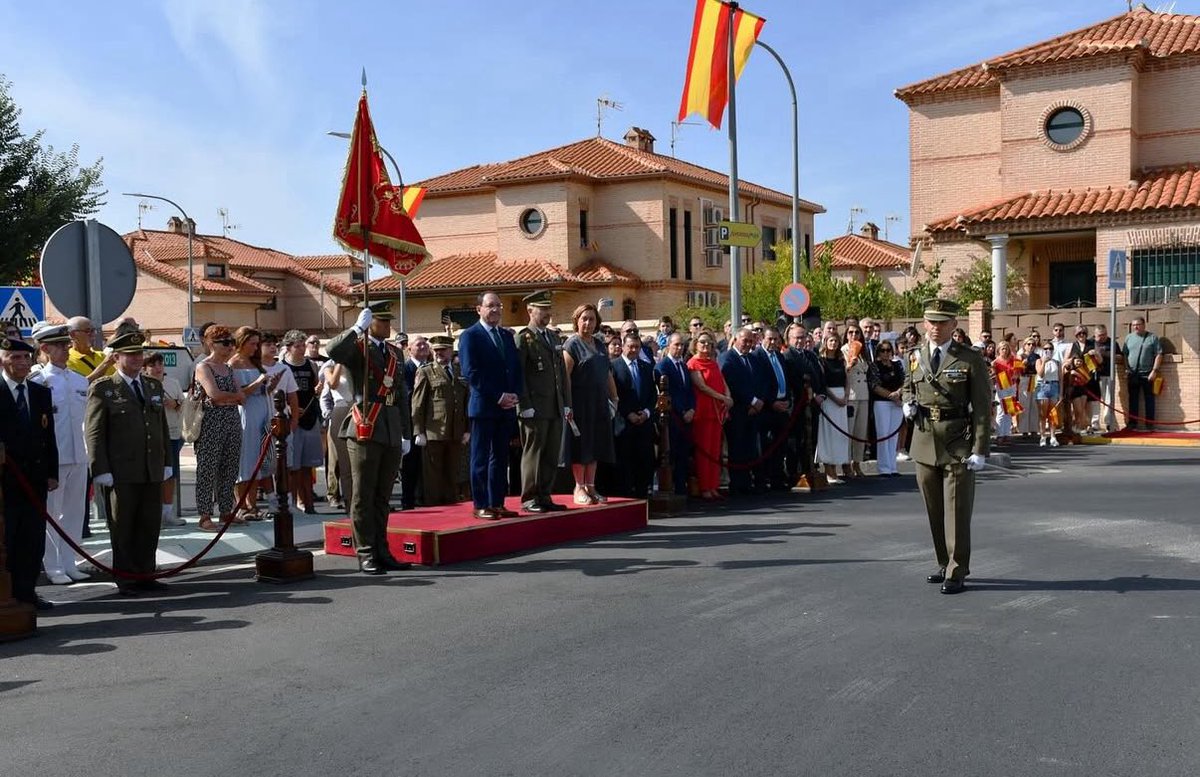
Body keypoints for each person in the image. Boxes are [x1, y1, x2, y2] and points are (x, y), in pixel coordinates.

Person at [902, 298, 991, 595]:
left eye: (942, 322)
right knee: (933, 508)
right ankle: (943, 562)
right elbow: (908, 386)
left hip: (957, 441)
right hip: (924, 439)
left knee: (956, 509)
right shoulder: (914, 355)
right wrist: (907, 403)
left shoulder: (970, 358)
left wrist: (980, 449)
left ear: (954, 325)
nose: (935, 328)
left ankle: (957, 569)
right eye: (931, 322)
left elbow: (981, 407)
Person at [326, 302, 413, 574]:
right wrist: (355, 328)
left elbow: (400, 395)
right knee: (363, 493)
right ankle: (365, 552)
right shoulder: (357, 349)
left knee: (383, 495)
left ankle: (382, 549)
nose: (387, 326)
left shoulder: (395, 353)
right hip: (365, 422)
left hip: (389, 426)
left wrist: (405, 433)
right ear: (370, 322)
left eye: (389, 322)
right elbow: (333, 351)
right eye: (382, 321)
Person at [85, 330, 173, 597]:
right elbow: (95, 432)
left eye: (139, 353)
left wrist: (167, 461)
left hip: (151, 467)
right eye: (130, 354)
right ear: (116, 357)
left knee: (149, 523)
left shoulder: (153, 385)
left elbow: (161, 427)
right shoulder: (103, 388)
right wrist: (100, 469)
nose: (137, 358)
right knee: (122, 524)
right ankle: (125, 577)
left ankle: (146, 573)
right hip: (120, 470)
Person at [29, 323, 91, 583]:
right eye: (60, 346)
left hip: (79, 454)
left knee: (75, 513)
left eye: (67, 344)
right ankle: (53, 566)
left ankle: (70, 561)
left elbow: (86, 420)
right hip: (55, 458)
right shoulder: (39, 381)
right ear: (45, 348)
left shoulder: (78, 380)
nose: (66, 349)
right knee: (51, 515)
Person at [1, 335, 57, 609]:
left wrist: (52, 472)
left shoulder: (39, 392)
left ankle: (27, 592)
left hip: (34, 481)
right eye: (15, 357)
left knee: (33, 540)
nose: (22, 363)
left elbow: (48, 437)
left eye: (26, 358)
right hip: (5, 483)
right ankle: (7, 596)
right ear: (3, 359)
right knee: (7, 540)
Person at [458, 291, 523, 521]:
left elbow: (514, 368)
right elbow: (470, 373)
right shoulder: (470, 336)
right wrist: (498, 396)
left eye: (498, 305)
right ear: (479, 309)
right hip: (484, 406)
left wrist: (515, 394)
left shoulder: (505, 336)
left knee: (501, 457)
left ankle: (497, 502)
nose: (495, 310)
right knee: (480, 457)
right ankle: (481, 503)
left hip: (506, 408)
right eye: (490, 306)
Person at [514, 290, 572, 513]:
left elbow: (560, 373)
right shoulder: (523, 338)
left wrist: (566, 402)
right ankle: (530, 497)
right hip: (535, 407)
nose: (547, 313)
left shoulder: (553, 337)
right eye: (542, 309)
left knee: (551, 452)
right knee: (534, 453)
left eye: (549, 309)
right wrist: (524, 405)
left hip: (554, 405)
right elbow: (519, 375)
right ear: (530, 310)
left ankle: (545, 494)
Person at [563, 303, 617, 506]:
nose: (587, 322)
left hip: (599, 402)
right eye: (584, 318)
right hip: (579, 402)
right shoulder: (572, 345)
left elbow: (607, 373)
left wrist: (614, 398)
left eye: (591, 319)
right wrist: (567, 404)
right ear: (576, 321)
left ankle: (591, 486)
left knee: (596, 444)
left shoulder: (600, 344)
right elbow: (565, 377)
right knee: (581, 446)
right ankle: (579, 487)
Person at [192, 326, 245, 531]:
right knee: (207, 468)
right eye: (225, 343)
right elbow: (214, 394)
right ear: (211, 344)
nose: (230, 346)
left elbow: (241, 395)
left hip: (231, 419)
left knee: (230, 467)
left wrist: (229, 397)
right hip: (210, 422)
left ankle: (226, 511)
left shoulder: (229, 368)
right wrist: (232, 397)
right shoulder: (203, 367)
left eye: (231, 342)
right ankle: (204, 515)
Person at [411, 335, 469, 505]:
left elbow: (466, 401)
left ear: (451, 351)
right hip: (434, 431)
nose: (439, 353)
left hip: (456, 431)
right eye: (436, 350)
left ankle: (451, 507)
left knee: (453, 473)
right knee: (433, 476)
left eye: (443, 350)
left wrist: (467, 429)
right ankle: (434, 506)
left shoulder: (459, 371)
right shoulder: (426, 371)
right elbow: (417, 404)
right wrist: (418, 431)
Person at [229, 327, 278, 521]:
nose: (255, 347)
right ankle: (242, 505)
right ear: (241, 343)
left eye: (257, 344)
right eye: (252, 343)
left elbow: (263, 389)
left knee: (259, 459)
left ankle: (253, 505)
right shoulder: (232, 364)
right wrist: (259, 381)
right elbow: (239, 395)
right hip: (246, 414)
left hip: (262, 411)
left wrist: (270, 385)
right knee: (245, 461)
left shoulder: (255, 362)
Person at [719, 327, 767, 495]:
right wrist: (752, 401)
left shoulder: (753, 359)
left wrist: (758, 401)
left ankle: (748, 482)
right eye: (744, 340)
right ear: (736, 339)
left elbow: (761, 381)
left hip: (753, 412)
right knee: (737, 449)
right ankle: (738, 484)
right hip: (738, 412)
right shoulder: (727, 359)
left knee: (751, 448)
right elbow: (732, 384)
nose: (747, 344)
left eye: (750, 341)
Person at [281, 330, 324, 513]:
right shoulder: (282, 367)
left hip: (310, 417)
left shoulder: (311, 365)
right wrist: (290, 407)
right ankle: (293, 503)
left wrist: (318, 390)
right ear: (288, 348)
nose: (301, 349)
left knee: (308, 465)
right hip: (292, 421)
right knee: (293, 466)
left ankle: (309, 503)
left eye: (302, 345)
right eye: (297, 346)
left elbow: (316, 389)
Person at [611, 332, 658, 498]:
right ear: (623, 346)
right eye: (630, 346)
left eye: (637, 347)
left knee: (644, 464)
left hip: (643, 425)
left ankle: (642, 499)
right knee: (625, 466)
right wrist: (627, 413)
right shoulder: (613, 366)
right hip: (623, 425)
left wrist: (646, 412)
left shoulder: (646, 367)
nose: (633, 350)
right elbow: (613, 394)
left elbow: (653, 395)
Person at [142, 352, 186, 527]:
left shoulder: (173, 383)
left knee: (170, 474)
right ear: (145, 368)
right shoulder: (141, 384)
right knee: (151, 474)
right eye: (153, 365)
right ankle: (150, 513)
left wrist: (175, 403)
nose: (158, 368)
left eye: (160, 364)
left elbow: (184, 405)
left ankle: (167, 513)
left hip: (172, 434)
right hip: (149, 437)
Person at [688, 331, 731, 500]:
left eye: (709, 343)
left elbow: (723, 381)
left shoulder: (713, 363)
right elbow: (702, 386)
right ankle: (704, 486)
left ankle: (713, 486)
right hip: (703, 412)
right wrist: (724, 398)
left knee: (715, 451)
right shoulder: (693, 364)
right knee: (704, 452)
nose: (706, 346)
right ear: (696, 344)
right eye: (703, 342)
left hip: (717, 412)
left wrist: (728, 397)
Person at [655, 331, 695, 497]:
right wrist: (682, 410)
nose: (679, 348)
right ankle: (671, 487)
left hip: (687, 418)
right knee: (671, 454)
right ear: (668, 346)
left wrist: (692, 408)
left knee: (683, 454)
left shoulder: (683, 366)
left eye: (682, 345)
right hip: (673, 418)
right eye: (676, 345)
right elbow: (667, 392)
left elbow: (689, 390)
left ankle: (681, 487)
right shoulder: (663, 366)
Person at [755, 328, 794, 491]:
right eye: (769, 339)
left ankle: (777, 478)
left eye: (776, 339)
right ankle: (764, 479)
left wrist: (786, 400)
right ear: (762, 338)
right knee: (766, 445)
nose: (773, 343)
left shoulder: (779, 355)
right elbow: (759, 383)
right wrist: (771, 403)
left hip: (782, 405)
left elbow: (784, 378)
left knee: (781, 444)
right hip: (767, 408)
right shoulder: (757, 357)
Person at [816, 333, 850, 484]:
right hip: (830, 399)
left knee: (839, 435)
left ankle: (836, 469)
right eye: (831, 340)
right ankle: (829, 471)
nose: (834, 343)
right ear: (825, 342)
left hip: (842, 398)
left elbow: (847, 380)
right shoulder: (821, 361)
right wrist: (836, 399)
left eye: (836, 341)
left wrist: (846, 397)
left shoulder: (841, 360)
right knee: (828, 434)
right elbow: (823, 383)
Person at [401, 335, 430, 509]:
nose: (423, 346)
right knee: (411, 465)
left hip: (431, 423)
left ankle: (425, 498)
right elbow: (408, 395)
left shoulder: (432, 368)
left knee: (427, 465)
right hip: (411, 423)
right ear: (409, 349)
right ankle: (408, 502)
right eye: (418, 344)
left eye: (425, 344)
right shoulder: (406, 369)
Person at [868, 340, 904, 476]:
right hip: (882, 402)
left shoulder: (897, 365)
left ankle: (892, 466)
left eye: (888, 350)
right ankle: (884, 467)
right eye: (883, 350)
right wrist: (891, 396)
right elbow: (875, 386)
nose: (886, 353)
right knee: (883, 434)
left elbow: (904, 381)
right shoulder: (874, 366)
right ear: (878, 352)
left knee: (894, 435)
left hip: (897, 403)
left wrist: (898, 394)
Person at [1121, 316, 1163, 431]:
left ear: (1144, 325)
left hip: (1147, 374)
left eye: (1138, 324)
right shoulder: (1129, 338)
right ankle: (1132, 423)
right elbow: (1125, 354)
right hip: (1133, 374)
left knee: (1149, 399)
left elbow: (1159, 354)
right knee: (1133, 400)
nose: (1135, 327)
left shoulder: (1152, 338)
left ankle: (1149, 424)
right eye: (1133, 325)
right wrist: (1126, 368)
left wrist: (1154, 371)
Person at [841, 323, 870, 479]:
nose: (854, 335)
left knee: (860, 431)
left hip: (863, 394)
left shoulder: (862, 352)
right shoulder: (843, 351)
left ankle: (857, 462)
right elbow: (842, 371)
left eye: (857, 332)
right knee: (849, 431)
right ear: (846, 335)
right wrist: (849, 365)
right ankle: (846, 464)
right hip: (851, 394)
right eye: (851, 332)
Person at [65, 316, 115, 383]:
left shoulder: (101, 355)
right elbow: (79, 386)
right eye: (88, 331)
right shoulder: (67, 360)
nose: (93, 334)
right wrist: (105, 365)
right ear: (72, 334)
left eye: (93, 330)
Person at [992, 340, 1020, 445]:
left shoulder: (1014, 359)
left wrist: (1015, 376)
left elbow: (1018, 372)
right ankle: (1000, 435)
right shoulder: (996, 362)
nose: (1005, 350)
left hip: (1011, 386)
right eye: (1002, 348)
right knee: (1000, 411)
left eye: (1006, 348)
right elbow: (992, 374)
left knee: (1009, 411)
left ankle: (1007, 434)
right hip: (1001, 387)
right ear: (999, 350)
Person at [1035, 341, 1062, 447]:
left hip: (1054, 386)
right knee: (1042, 414)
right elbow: (1040, 374)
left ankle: (1053, 436)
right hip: (1043, 386)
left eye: (1050, 349)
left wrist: (1061, 392)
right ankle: (1042, 436)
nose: (1048, 351)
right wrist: (1044, 362)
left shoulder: (1057, 362)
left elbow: (1060, 378)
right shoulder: (1039, 360)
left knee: (1053, 414)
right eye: (1046, 349)